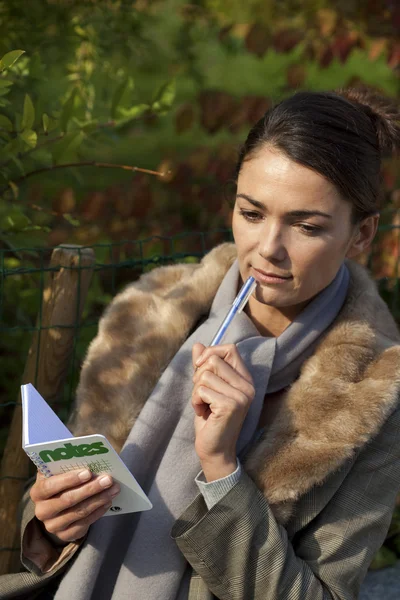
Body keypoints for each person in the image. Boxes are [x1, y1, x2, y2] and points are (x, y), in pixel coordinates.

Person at [1, 87, 400, 600]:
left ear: (362, 234)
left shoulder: (378, 395)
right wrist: (51, 522)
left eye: (305, 225)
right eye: (251, 213)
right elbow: (70, 507)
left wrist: (222, 471)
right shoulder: (147, 314)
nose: (268, 249)